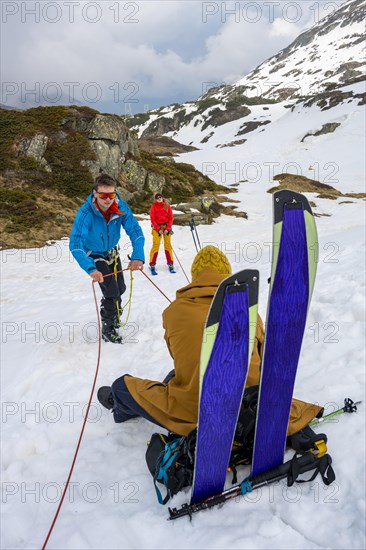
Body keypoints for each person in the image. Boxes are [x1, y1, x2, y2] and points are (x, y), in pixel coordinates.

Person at [98, 246, 322, 435]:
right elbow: (264, 359)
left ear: (195, 276)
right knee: (178, 376)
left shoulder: (172, 312)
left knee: (124, 386)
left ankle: (121, 405)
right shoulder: (251, 311)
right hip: (252, 406)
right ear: (227, 276)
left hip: (195, 409)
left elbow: (179, 358)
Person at [69, 173, 145, 344]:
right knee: (111, 292)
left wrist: (138, 256)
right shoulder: (86, 212)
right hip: (94, 255)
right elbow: (75, 243)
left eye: (112, 195)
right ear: (95, 193)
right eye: (103, 195)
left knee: (121, 288)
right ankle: (108, 327)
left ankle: (114, 315)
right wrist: (91, 268)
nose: (108, 199)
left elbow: (135, 231)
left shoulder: (120, 206)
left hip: (112, 252)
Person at [149, 193, 175, 275]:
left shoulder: (167, 206)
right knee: (156, 245)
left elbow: (171, 218)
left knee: (168, 245)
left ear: (162, 197)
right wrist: (157, 229)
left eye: (160, 197)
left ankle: (170, 264)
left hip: (166, 227)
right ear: (155, 199)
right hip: (157, 228)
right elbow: (152, 219)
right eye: (157, 198)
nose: (159, 199)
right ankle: (152, 264)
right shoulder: (153, 207)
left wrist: (168, 228)